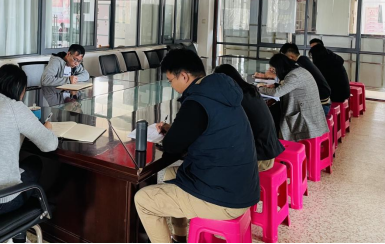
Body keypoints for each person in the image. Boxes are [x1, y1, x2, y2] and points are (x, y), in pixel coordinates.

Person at [135, 50, 260, 244]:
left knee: (143, 200)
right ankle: (179, 237)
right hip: (242, 187)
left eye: (171, 80)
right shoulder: (219, 93)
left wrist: (172, 132)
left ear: (184, 76)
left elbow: (172, 146)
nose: (172, 86)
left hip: (224, 197)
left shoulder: (196, 101)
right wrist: (175, 129)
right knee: (170, 174)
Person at [0, 64, 58, 231]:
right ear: (20, 89)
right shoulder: (14, 107)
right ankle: (20, 226)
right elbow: (49, 145)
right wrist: (48, 129)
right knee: (35, 163)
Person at [214, 64, 285, 172]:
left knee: (212, 160)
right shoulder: (250, 92)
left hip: (260, 158)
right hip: (268, 151)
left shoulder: (237, 98)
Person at [259, 55, 329, 142]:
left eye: (274, 69)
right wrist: (276, 85)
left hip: (305, 118)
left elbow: (277, 93)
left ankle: (275, 143)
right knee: (272, 112)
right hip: (310, 112)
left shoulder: (294, 76)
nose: (274, 72)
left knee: (269, 117)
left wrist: (259, 89)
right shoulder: (299, 70)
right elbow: (290, 86)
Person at [280, 43, 332, 116]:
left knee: (288, 112)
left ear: (291, 57)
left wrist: (279, 81)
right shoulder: (304, 59)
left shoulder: (299, 65)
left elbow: (292, 84)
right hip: (325, 102)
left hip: (320, 106)